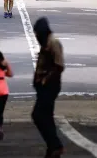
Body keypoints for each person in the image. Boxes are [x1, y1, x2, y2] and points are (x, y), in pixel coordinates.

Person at [32, 17, 65, 158]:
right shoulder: (46, 42)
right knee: (46, 116)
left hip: (50, 86)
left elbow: (59, 65)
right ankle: (53, 148)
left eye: (38, 33)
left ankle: (55, 145)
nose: (37, 36)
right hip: (43, 86)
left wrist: (45, 79)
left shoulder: (53, 42)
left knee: (39, 115)